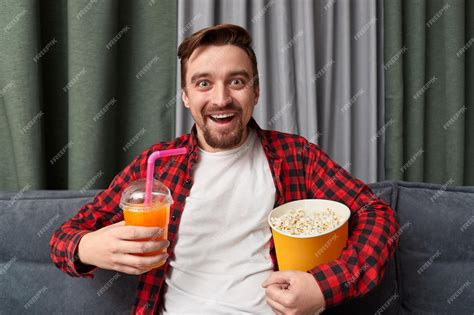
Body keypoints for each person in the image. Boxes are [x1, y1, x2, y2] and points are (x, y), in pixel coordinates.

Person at [50, 24, 399, 315]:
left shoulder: (296, 155)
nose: (221, 99)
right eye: (203, 83)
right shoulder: (157, 164)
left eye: (236, 81)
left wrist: (323, 286)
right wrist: (85, 247)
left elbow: (377, 214)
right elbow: (64, 237)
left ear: (256, 91)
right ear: (186, 95)